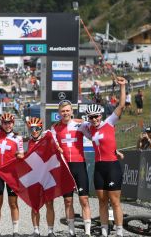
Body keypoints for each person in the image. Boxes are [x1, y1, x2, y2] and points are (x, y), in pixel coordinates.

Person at [81, 76, 127, 237]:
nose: (94, 119)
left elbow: (121, 105)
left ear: (100, 115)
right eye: (91, 117)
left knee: (114, 201)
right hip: (99, 167)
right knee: (102, 202)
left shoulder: (109, 122)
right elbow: (73, 124)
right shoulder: (88, 129)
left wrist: (122, 86)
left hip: (112, 166)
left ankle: (119, 232)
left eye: (96, 116)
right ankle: (104, 232)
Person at [51, 100, 92, 237]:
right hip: (65, 167)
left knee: (84, 199)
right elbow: (50, 144)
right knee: (68, 200)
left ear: (72, 111)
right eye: (63, 111)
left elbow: (93, 136)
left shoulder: (80, 124)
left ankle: (87, 232)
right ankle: (71, 232)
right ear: (59, 113)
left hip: (79, 164)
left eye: (68, 110)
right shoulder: (55, 128)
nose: (65, 113)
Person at [0, 113, 24, 237]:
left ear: (13, 123)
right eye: (5, 123)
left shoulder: (18, 138)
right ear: (1, 124)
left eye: (10, 123)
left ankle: (15, 231)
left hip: (12, 174)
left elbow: (21, 154)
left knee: (13, 203)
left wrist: (20, 156)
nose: (7, 125)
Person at [26, 117, 56, 237]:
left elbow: (55, 130)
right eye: (31, 128)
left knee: (49, 204)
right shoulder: (27, 142)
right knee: (35, 205)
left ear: (40, 128)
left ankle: (50, 231)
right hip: (33, 178)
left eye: (37, 128)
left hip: (47, 177)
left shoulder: (47, 140)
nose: (34, 131)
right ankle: (36, 230)